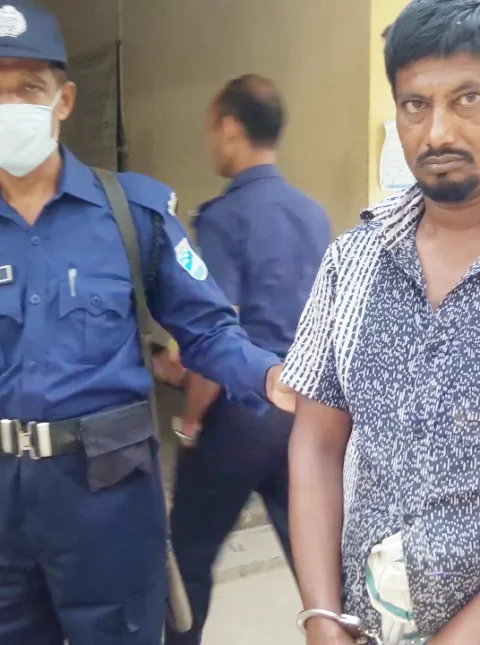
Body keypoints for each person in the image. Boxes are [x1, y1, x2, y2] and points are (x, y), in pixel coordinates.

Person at [0, 4, 294, 645]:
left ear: (63, 100)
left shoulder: (132, 211)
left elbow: (208, 330)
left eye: (27, 87)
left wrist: (272, 376)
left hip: (106, 497)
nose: (10, 106)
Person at [282, 1, 480, 644]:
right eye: (415, 105)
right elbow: (317, 444)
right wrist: (321, 618)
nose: (438, 132)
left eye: (469, 98)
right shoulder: (353, 262)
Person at [164, 74, 331, 645]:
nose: (211, 140)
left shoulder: (223, 218)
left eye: (213, 127)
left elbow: (218, 332)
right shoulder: (312, 214)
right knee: (316, 562)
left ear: (231, 128)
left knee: (188, 554)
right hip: (304, 413)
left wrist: (190, 422)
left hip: (239, 415)